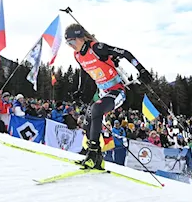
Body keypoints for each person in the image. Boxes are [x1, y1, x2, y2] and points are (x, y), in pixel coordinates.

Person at [64, 23, 152, 170]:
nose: (71, 46)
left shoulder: (97, 48)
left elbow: (125, 53)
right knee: (87, 122)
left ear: (81, 38)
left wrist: (141, 70)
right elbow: (84, 71)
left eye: (72, 41)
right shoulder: (77, 55)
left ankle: (92, 154)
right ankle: (97, 158)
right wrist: (80, 90)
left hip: (117, 91)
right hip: (103, 92)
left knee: (96, 109)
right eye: (68, 43)